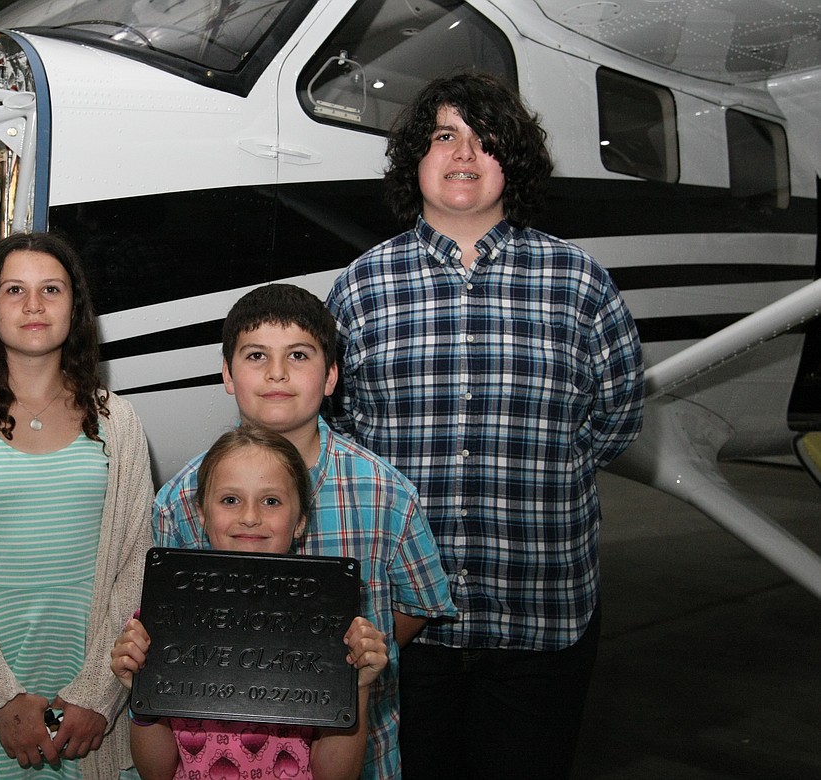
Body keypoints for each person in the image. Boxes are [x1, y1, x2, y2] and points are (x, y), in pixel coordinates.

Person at [324, 72, 646, 778]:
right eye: (445, 136)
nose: (464, 154)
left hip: (541, 617)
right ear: (417, 158)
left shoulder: (581, 283)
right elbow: (340, 430)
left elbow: (617, 419)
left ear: (513, 162)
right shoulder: (359, 289)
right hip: (401, 625)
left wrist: (544, 474)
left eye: (485, 139)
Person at [152, 283, 456, 779]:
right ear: (228, 374)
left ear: (331, 374)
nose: (277, 373)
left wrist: (335, 659)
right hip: (218, 759)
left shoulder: (385, 492)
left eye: (298, 355)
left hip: (360, 756)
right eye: (255, 356)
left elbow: (416, 603)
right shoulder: (181, 501)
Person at [0, 232, 155, 779]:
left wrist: (98, 694)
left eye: (51, 290)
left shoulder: (120, 423)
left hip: (89, 718)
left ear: (76, 308)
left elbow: (138, 566)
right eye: (15, 290)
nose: (35, 305)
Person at [113, 425, 389, 780]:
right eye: (230, 500)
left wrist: (359, 687)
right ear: (201, 513)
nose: (249, 517)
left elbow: (336, 775)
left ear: (300, 520)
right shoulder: (160, 617)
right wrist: (142, 697)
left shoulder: (334, 625)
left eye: (271, 501)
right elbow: (156, 772)